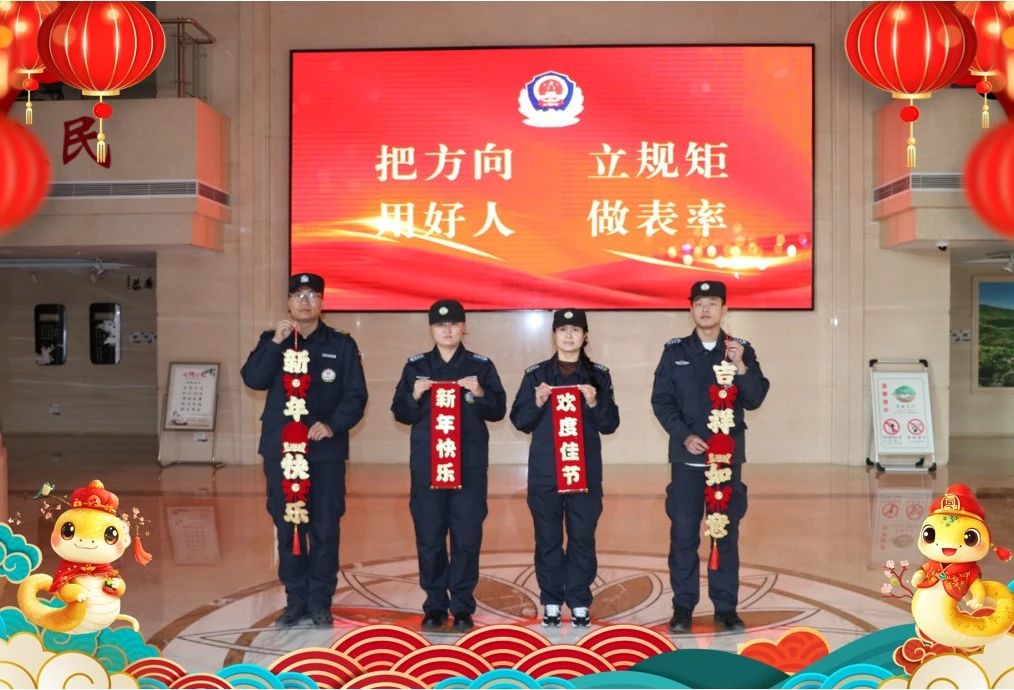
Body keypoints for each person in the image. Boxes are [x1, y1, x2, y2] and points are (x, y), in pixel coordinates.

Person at [241, 273, 368, 628]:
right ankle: (295, 601)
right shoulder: (273, 340)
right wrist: (275, 344)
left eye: (312, 295)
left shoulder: (341, 345)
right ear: (288, 303)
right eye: (297, 295)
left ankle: (320, 602)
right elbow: (253, 379)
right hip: (282, 452)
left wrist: (333, 425)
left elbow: (356, 395)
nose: (305, 301)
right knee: (289, 527)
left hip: (324, 453)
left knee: (325, 528)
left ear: (322, 302)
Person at [650, 281, 769, 633]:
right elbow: (661, 401)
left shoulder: (740, 350)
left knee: (724, 535)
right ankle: (683, 607)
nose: (705, 309)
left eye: (712, 303)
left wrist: (741, 366)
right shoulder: (674, 352)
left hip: (725, 463)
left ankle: (726, 608)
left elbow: (755, 398)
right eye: (699, 303)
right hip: (687, 463)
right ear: (691, 309)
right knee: (684, 535)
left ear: (724, 309)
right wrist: (684, 436)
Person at [390, 299, 507, 632]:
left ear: (463, 327)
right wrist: (413, 395)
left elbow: (498, 410)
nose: (447, 330)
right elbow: (400, 412)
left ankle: (463, 606)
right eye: (441, 325)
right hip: (428, 466)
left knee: (466, 536)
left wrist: (480, 392)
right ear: (432, 329)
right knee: (430, 536)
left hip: (468, 467)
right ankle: (435, 605)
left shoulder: (480, 365)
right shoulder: (416, 366)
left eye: (454, 324)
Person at [510, 309, 620, 628]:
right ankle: (551, 600)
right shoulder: (536, 375)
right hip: (546, 473)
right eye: (562, 329)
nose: (569, 335)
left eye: (575, 330)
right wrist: (537, 402)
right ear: (554, 335)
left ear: (585, 336)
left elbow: (610, 424)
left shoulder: (598, 375)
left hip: (584, 473)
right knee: (548, 538)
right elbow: (519, 420)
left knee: (582, 537)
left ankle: (580, 600)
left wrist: (594, 403)